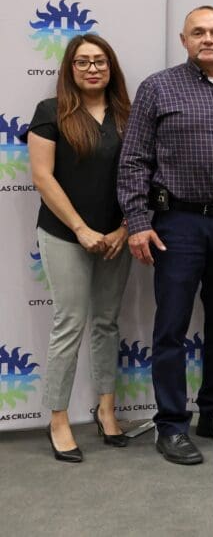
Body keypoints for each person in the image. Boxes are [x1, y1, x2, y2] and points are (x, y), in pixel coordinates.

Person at [118, 6, 213, 465]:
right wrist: (138, 223)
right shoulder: (158, 88)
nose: (208, 39)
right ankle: (172, 424)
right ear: (183, 40)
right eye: (198, 32)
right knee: (172, 326)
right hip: (175, 224)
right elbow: (134, 160)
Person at [24, 34, 132, 462]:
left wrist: (125, 227)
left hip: (116, 237)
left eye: (100, 61)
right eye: (83, 62)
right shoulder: (50, 113)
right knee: (70, 322)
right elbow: (42, 177)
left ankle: (106, 409)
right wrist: (81, 228)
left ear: (111, 68)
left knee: (106, 322)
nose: (92, 68)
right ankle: (58, 418)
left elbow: (139, 174)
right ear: (70, 68)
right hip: (65, 233)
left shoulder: (127, 114)